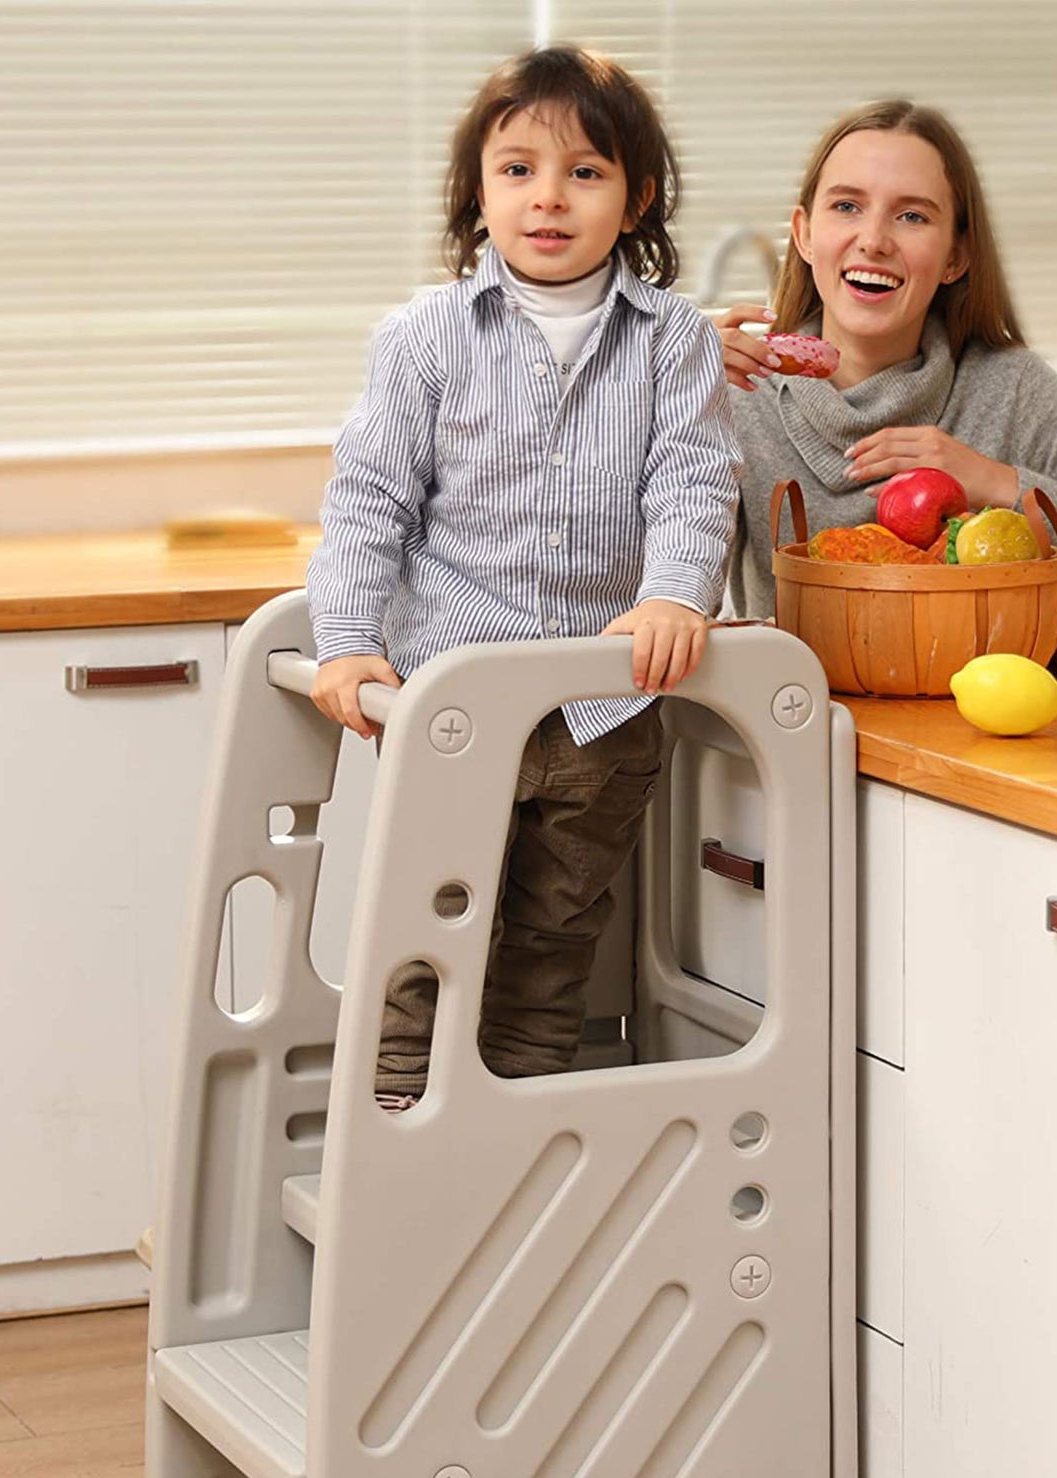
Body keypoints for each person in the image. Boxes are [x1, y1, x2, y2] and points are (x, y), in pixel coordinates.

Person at [303, 46, 739, 1100]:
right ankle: (398, 1127)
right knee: (422, 939)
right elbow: (368, 500)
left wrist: (676, 593)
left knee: (554, 949)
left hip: (603, 711)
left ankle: (516, 1139)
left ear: (637, 197)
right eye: (518, 170)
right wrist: (347, 641)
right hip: (455, 703)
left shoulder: (675, 340)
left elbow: (694, 482)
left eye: (585, 172)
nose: (549, 197)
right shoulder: (424, 337)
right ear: (479, 189)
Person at [715, 100, 1057, 628]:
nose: (873, 241)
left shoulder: (1011, 390)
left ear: (955, 257)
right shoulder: (736, 391)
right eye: (847, 206)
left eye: (912, 216)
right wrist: (669, 390)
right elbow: (669, 608)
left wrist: (999, 482)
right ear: (804, 234)